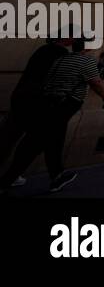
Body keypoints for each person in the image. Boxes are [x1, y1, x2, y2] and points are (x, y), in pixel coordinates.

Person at [0, 37, 104, 194]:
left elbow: (49, 80)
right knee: (34, 143)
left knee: (50, 141)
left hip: (47, 103)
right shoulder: (86, 61)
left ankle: (56, 176)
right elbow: (96, 81)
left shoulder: (61, 59)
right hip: (62, 105)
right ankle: (7, 180)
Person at [0, 36, 70, 190]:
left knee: (8, 138)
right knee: (32, 145)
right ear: (67, 38)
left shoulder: (42, 50)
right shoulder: (62, 55)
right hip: (39, 104)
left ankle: (13, 175)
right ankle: (11, 177)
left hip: (20, 99)